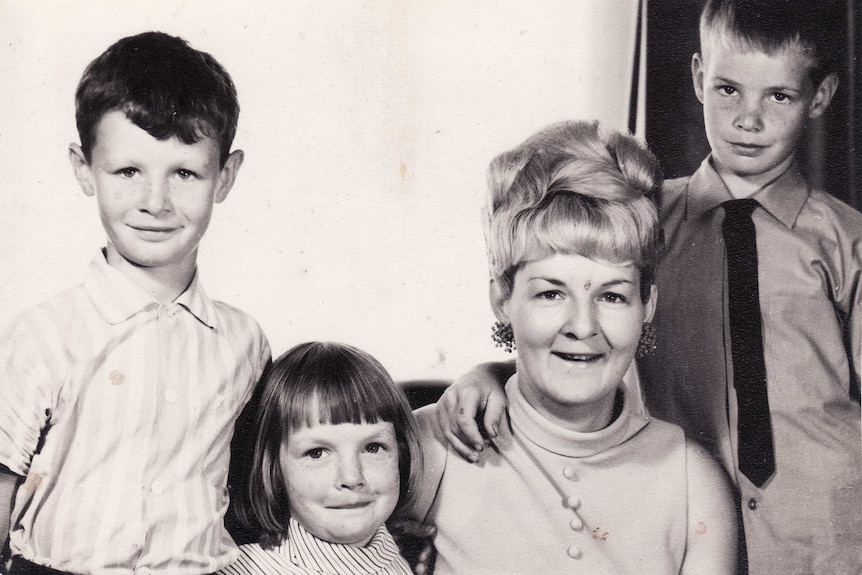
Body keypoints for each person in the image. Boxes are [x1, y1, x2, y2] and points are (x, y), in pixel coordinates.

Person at [436, 2, 862, 574]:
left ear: (820, 96)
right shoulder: (640, 220)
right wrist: (488, 375)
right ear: (697, 78)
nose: (748, 119)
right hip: (675, 521)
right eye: (728, 90)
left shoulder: (847, 242)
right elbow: (569, 320)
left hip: (829, 537)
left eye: (778, 96)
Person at [407, 120, 736, 574]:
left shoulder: (693, 484)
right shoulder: (427, 448)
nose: (583, 326)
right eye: (551, 293)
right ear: (503, 299)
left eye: (612, 295)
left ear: (647, 306)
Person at [0, 32, 271, 574]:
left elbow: (257, 492)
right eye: (128, 171)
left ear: (226, 176)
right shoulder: (44, 336)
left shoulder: (245, 342)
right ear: (83, 168)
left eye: (185, 173)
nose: (155, 202)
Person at [218, 341, 421, 575]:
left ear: (400, 454)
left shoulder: (392, 558)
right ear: (274, 469)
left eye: (373, 448)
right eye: (317, 453)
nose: (351, 477)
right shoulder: (245, 571)